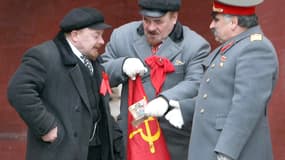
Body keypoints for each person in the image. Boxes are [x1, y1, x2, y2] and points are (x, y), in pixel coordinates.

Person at [7, 7, 123, 160]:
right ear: (75, 35)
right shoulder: (44, 56)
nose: (102, 42)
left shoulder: (94, 60)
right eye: (96, 36)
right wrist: (46, 127)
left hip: (95, 151)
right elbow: (18, 90)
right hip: (62, 151)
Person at [101, 0, 210, 159]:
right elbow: (100, 72)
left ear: (174, 17)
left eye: (158, 21)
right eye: (146, 20)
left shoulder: (195, 45)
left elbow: (196, 82)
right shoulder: (122, 36)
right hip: (132, 134)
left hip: (172, 139)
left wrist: (165, 100)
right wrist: (121, 66)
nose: (151, 28)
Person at [183, 0, 278, 160]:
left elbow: (247, 105)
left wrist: (226, 152)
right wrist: (182, 107)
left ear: (234, 22)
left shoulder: (255, 48)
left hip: (230, 152)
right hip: (211, 146)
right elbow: (217, 96)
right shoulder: (235, 46)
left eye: (216, 19)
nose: (211, 25)